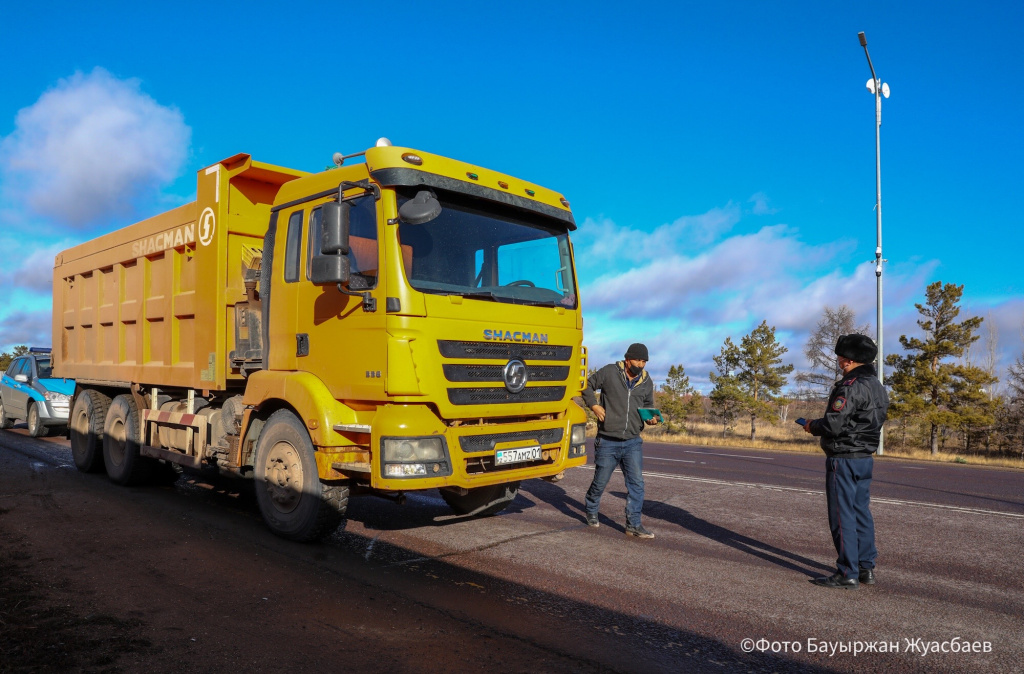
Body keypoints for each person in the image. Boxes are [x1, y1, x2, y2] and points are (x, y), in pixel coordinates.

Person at [802, 334, 889, 589]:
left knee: (842, 517)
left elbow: (833, 423)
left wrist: (812, 426)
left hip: (843, 457)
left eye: (841, 358)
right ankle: (865, 568)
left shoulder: (849, 386)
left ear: (848, 360)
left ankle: (847, 572)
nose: (839, 362)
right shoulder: (877, 386)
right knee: (862, 513)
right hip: (864, 458)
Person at [581, 343, 659, 538]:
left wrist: (651, 418)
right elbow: (586, 386)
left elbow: (648, 405)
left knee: (637, 484)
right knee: (600, 482)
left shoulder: (646, 381)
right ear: (627, 360)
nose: (641, 365)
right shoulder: (609, 372)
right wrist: (594, 406)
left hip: (632, 441)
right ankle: (591, 508)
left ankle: (633, 524)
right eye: (638, 360)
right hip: (608, 440)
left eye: (644, 361)